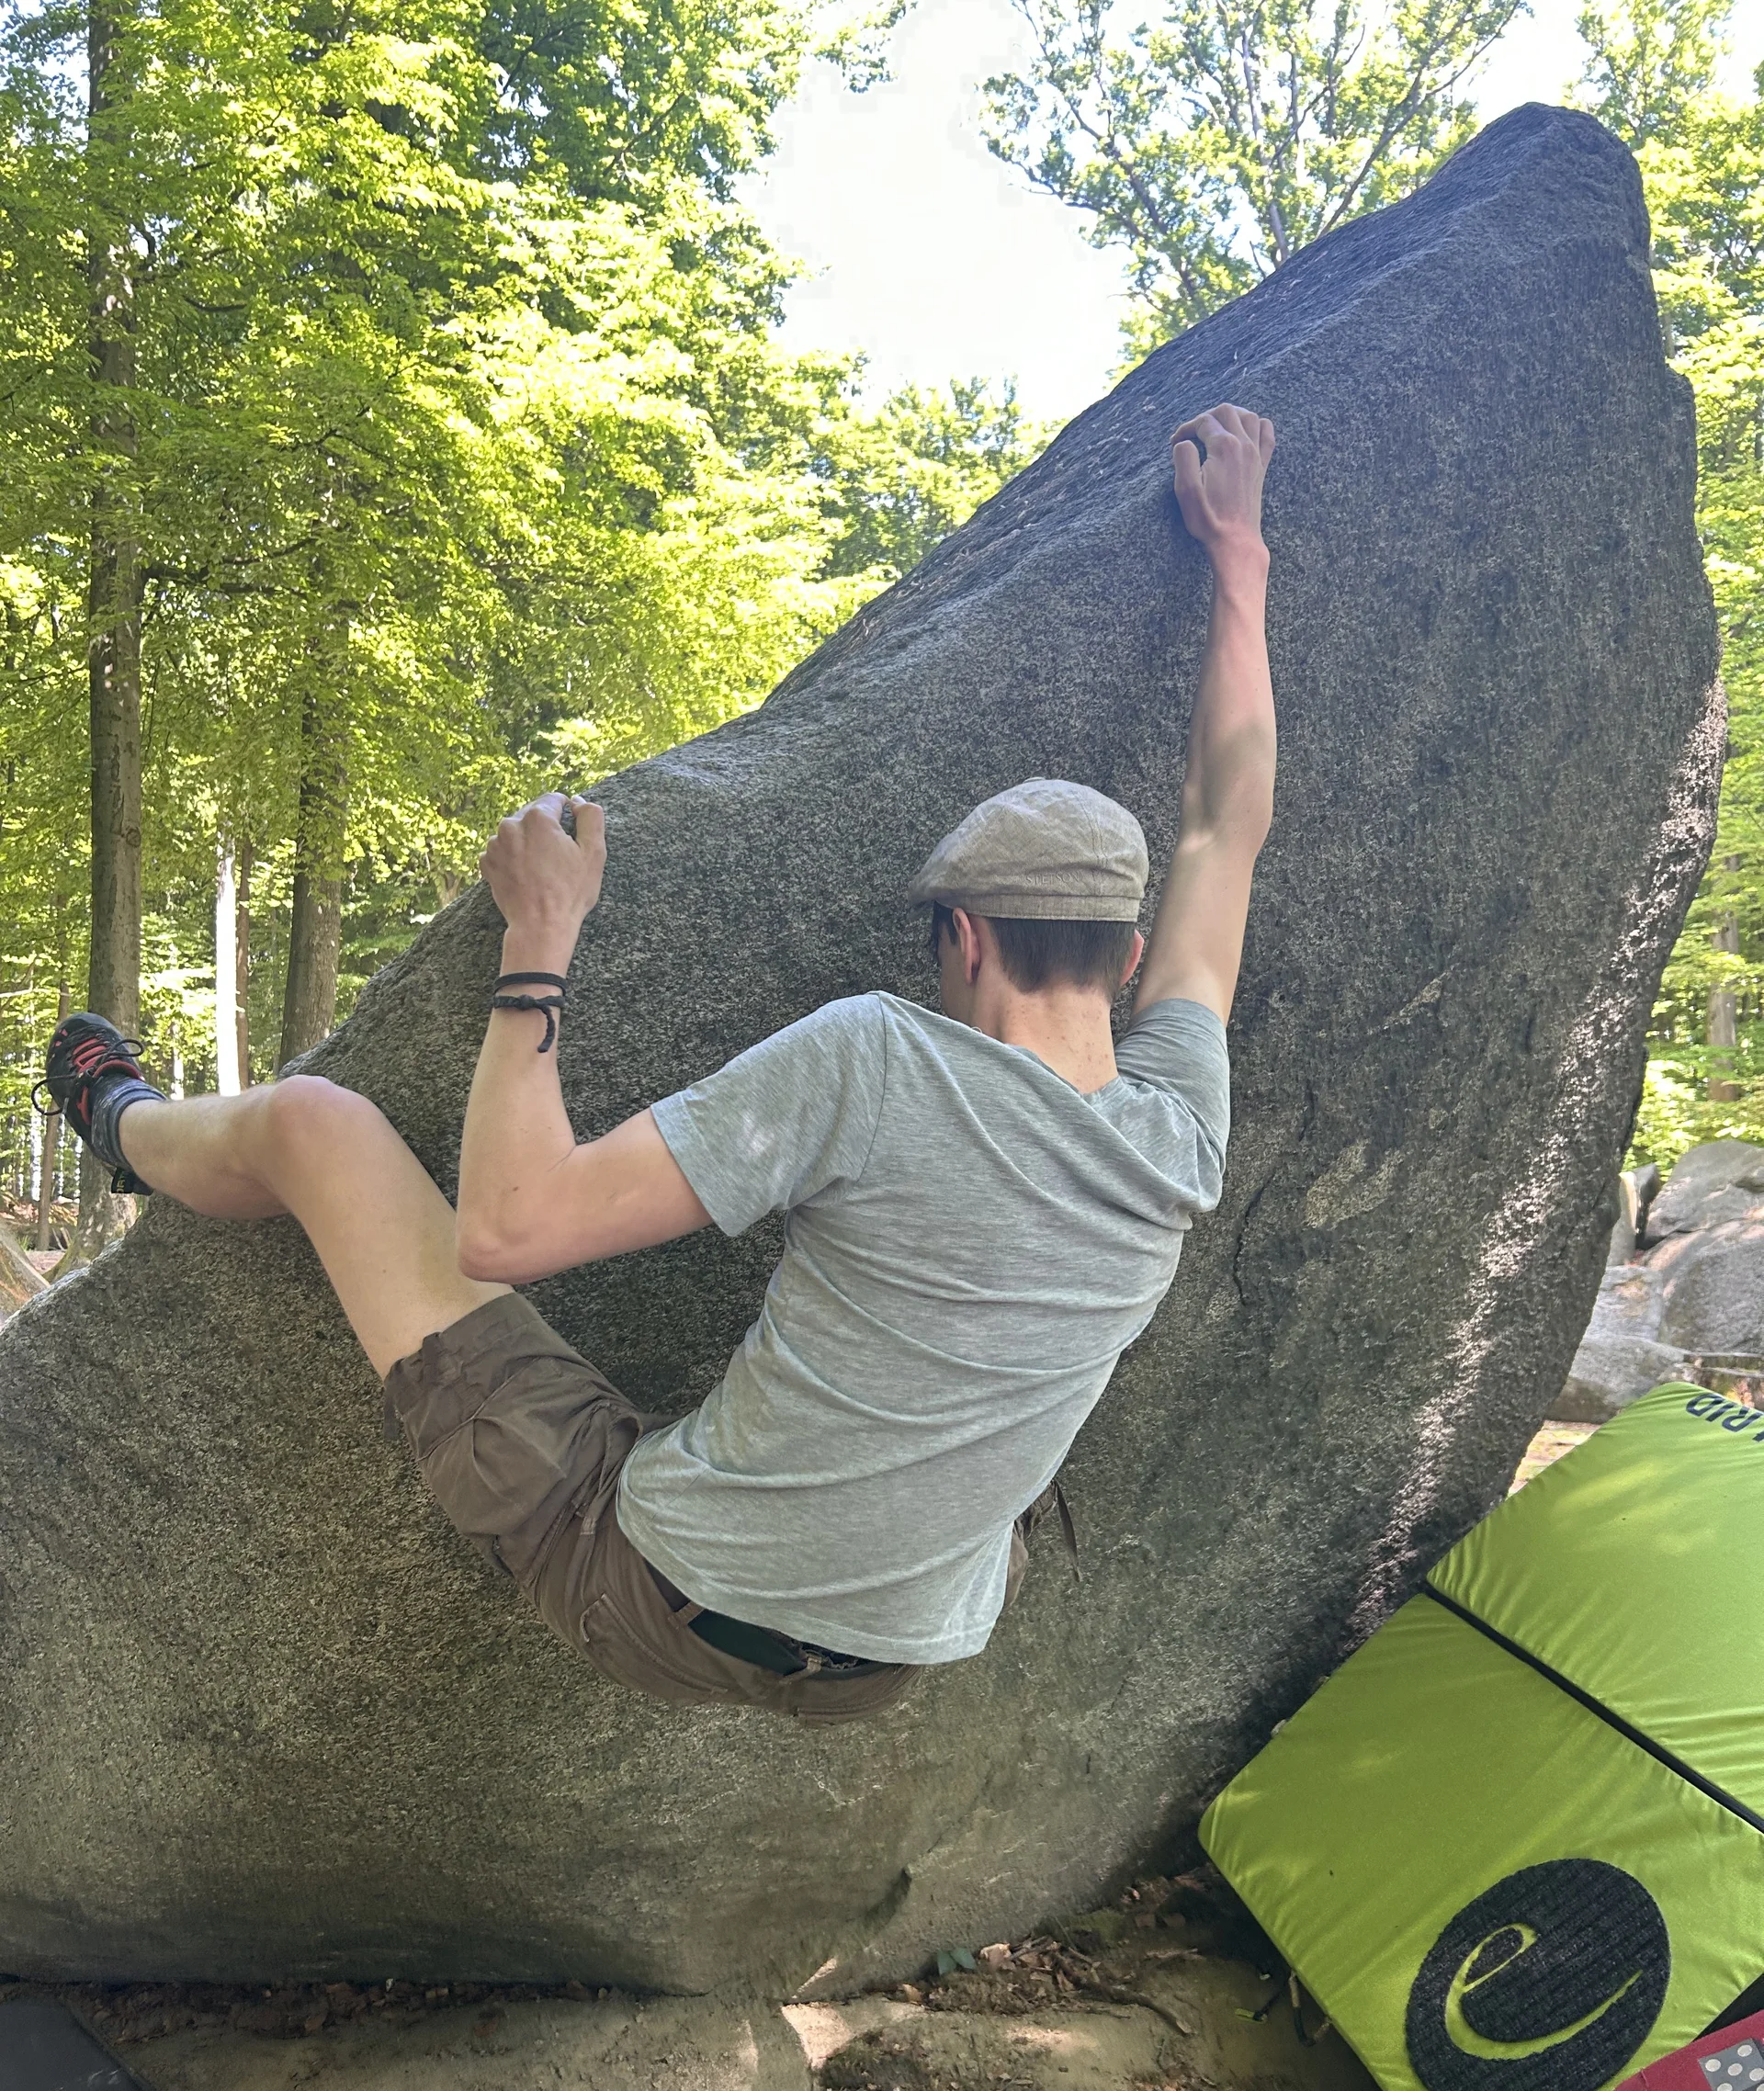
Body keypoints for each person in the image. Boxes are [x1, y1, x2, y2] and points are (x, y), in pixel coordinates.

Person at [38, 403, 1276, 1726]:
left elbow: (512, 1227)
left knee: (315, 1126)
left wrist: (540, 936)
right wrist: (1241, 564)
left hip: (651, 1596)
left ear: (960, 938)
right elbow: (1225, 828)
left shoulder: (878, 1058)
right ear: (1130, 955)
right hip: (897, 1665)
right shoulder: (1178, 1125)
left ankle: (121, 1125)